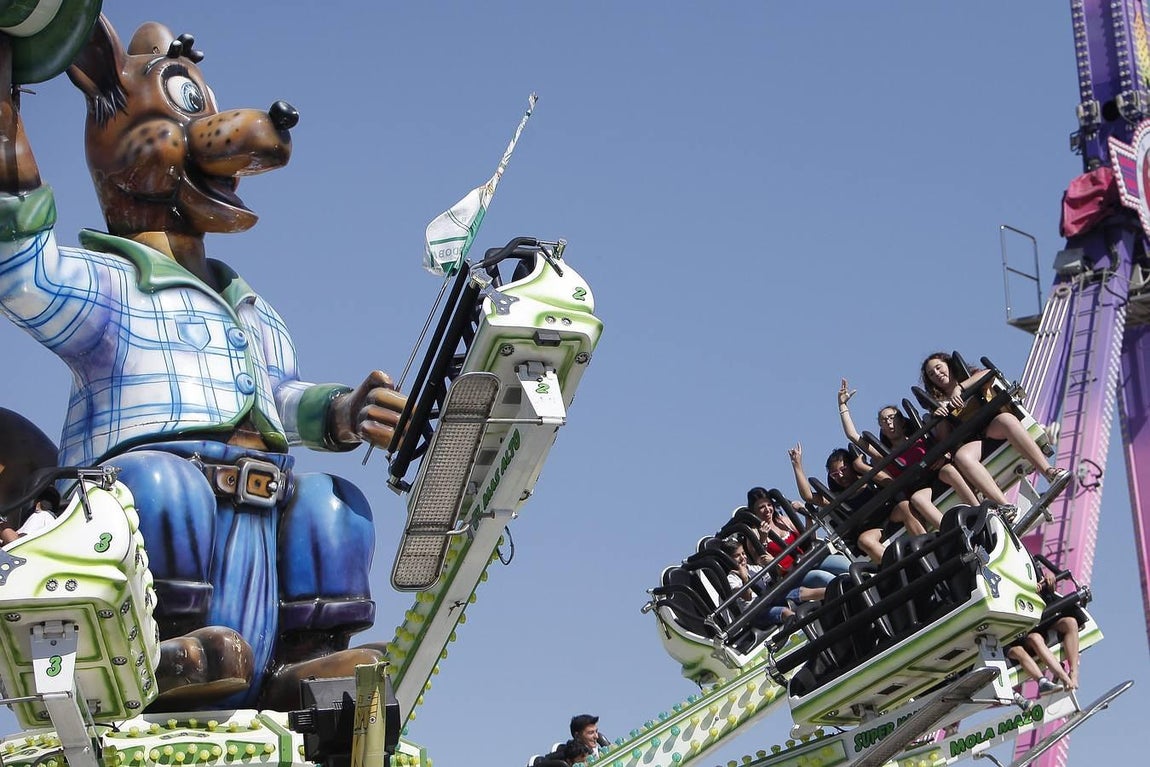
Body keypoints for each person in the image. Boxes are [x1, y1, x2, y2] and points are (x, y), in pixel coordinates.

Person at [919, 353, 1068, 511]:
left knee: (1006, 420)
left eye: (938, 367)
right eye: (931, 374)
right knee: (962, 457)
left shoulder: (970, 377)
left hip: (995, 425)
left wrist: (960, 388)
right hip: (976, 439)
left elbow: (988, 373)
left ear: (948, 365)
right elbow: (945, 439)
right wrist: (940, 416)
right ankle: (1005, 506)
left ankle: (1048, 471)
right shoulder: (939, 404)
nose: (937, 373)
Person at [837, 378, 979, 531]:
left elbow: (943, 436)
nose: (888, 423)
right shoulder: (885, 455)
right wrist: (843, 406)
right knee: (917, 499)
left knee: (949, 470)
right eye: (883, 421)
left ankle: (979, 510)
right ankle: (955, 533)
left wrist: (944, 453)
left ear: (902, 421)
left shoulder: (922, 435)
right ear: (881, 428)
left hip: (939, 473)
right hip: (921, 488)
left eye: (891, 417)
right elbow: (853, 436)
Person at [788, 444, 907, 562]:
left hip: (891, 517)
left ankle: (924, 542)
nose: (840, 475)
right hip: (872, 532)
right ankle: (900, 567)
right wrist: (797, 465)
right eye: (834, 474)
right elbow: (808, 496)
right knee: (865, 541)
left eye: (843, 470)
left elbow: (890, 482)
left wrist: (861, 467)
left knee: (905, 506)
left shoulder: (870, 477)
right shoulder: (835, 498)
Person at [1006, 566, 1083, 693]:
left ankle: (1073, 673)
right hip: (1026, 632)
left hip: (1045, 619)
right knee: (1035, 638)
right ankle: (1063, 677)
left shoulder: (1029, 568)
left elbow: (1048, 586)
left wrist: (1049, 580)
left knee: (1070, 622)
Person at [745, 487, 851, 578]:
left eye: (769, 505)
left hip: (808, 559)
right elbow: (760, 562)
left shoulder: (783, 520)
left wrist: (807, 516)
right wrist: (763, 539)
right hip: (791, 574)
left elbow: (810, 540)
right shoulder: (754, 534)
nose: (767, 509)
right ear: (754, 511)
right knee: (823, 577)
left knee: (846, 566)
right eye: (761, 507)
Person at [719, 538, 825, 627]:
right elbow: (748, 597)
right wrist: (744, 578)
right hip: (755, 613)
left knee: (801, 592)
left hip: (770, 600)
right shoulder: (731, 579)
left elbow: (777, 578)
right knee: (785, 613)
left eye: (743, 553)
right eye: (737, 556)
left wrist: (774, 563)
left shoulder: (754, 568)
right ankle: (808, 630)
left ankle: (834, 591)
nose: (743, 557)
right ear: (729, 559)